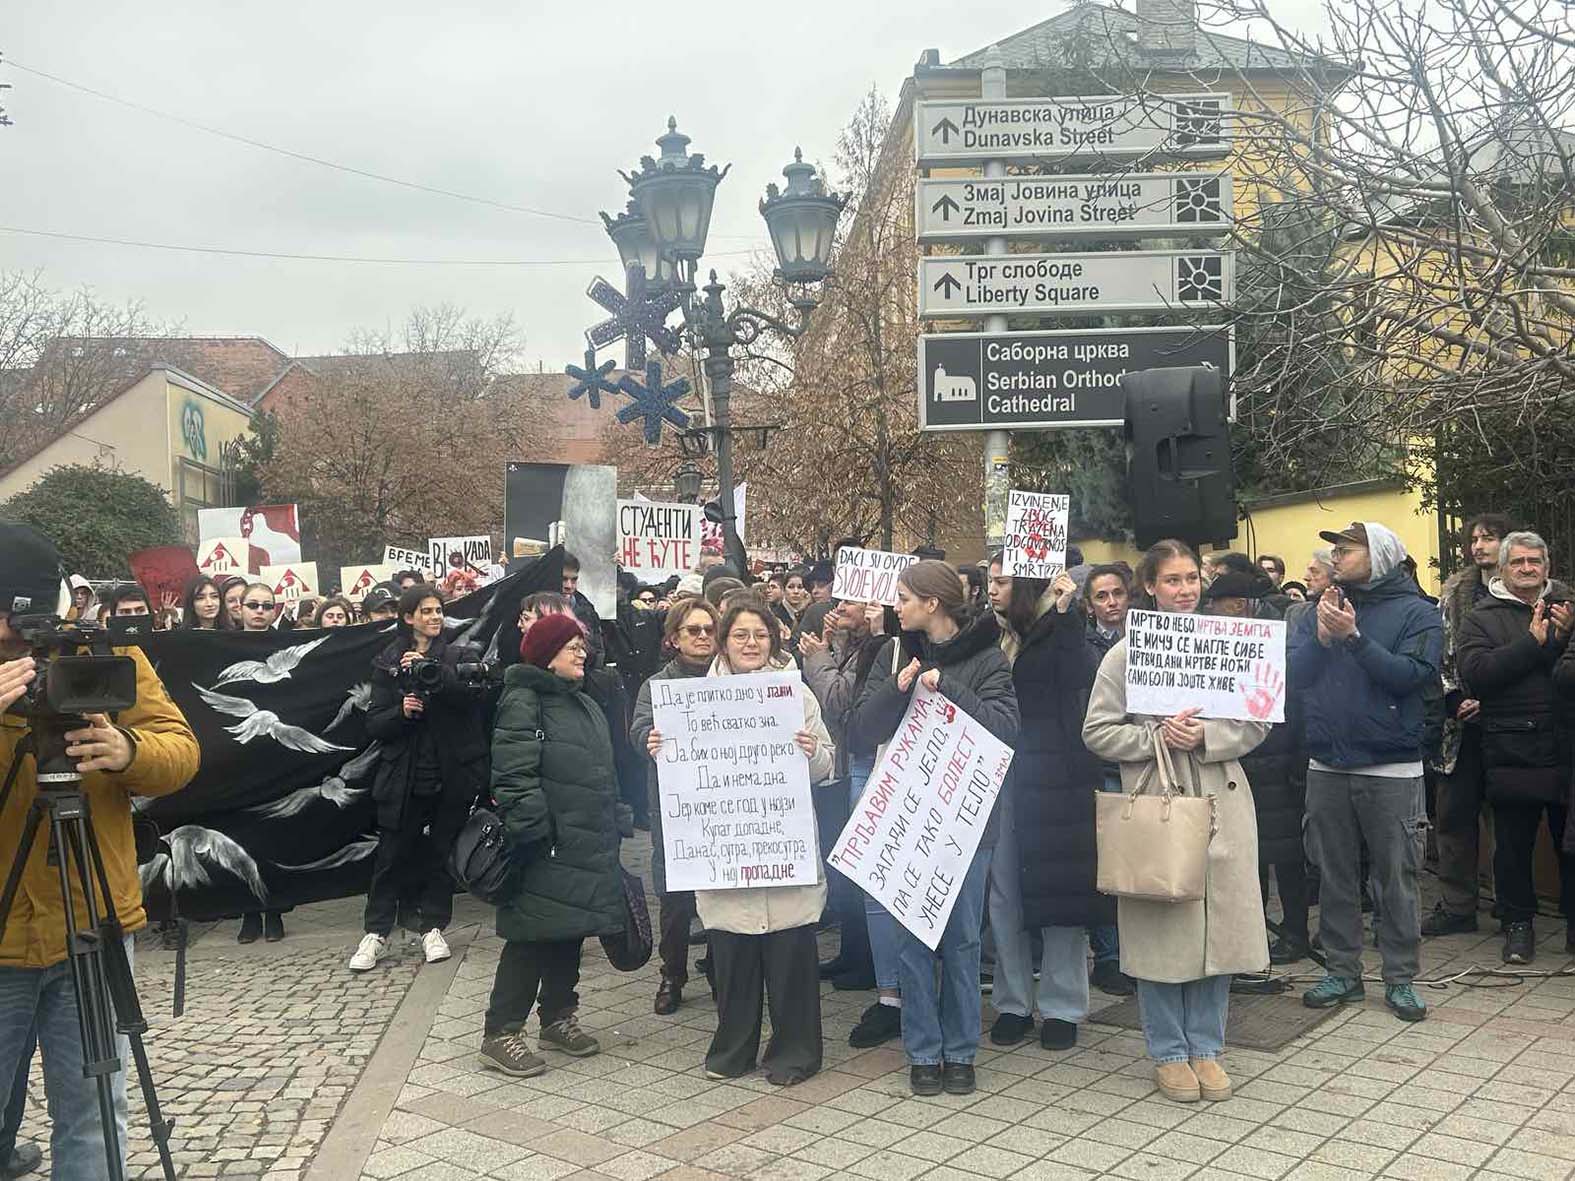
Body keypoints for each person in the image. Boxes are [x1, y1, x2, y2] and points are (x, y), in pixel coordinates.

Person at [0, 520, 200, 1178]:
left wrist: (126, 750)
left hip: (91, 917)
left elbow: (182, 751)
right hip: (2, 942)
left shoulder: (98, 655)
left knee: (92, 1117)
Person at [1082, 539, 1269, 1104]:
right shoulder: (1125, 653)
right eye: (1172, 580)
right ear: (1152, 587)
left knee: (1221, 930)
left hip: (1224, 799)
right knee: (1163, 930)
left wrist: (1209, 735)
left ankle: (1207, 1046)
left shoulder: (1230, 642)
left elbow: (1259, 721)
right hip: (1159, 802)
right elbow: (1096, 731)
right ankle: (1167, 1050)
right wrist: (1154, 736)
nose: (1184, 590)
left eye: (1191, 578)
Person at [647, 602, 835, 1086]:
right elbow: (680, 772)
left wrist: (812, 754)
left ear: (774, 640)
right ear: (725, 642)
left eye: (760, 634)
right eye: (740, 635)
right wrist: (660, 750)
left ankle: (795, 1052)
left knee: (791, 959)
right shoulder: (695, 700)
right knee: (733, 960)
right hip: (724, 856)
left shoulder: (797, 695)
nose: (751, 643)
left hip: (781, 850)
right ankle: (733, 1049)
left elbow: (827, 765)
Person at [851, 560, 1019, 1097]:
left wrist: (948, 688)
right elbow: (860, 731)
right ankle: (923, 1050)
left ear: (933, 603)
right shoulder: (892, 653)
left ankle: (961, 1050)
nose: (895, 607)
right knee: (913, 945)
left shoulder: (989, 660)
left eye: (904, 598)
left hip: (966, 826)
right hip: (906, 824)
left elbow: (1005, 730)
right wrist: (897, 690)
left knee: (964, 941)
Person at [1290, 522, 1442, 1023]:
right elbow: (1295, 676)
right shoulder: (1319, 607)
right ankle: (1342, 971)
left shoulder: (1419, 612)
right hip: (1327, 762)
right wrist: (1320, 637)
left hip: (1391, 766)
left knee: (1394, 878)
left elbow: (1413, 678)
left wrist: (1354, 638)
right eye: (1333, 548)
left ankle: (1400, 977)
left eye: (1346, 548)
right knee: (1334, 874)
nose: (1336, 555)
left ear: (1378, 555)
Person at [479, 613, 627, 1077]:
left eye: (582, 645)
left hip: (582, 841)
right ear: (546, 654)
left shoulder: (580, 702)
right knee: (530, 936)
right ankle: (501, 1033)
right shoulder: (524, 700)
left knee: (569, 930)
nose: (582, 653)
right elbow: (513, 773)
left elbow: (600, 768)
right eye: (571, 646)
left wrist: (614, 813)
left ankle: (558, 1017)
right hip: (546, 845)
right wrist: (535, 831)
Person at [987, 561, 1109, 1052]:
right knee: (1004, 894)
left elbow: (1078, 676)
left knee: (1061, 896)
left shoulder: (1061, 625)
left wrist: (1067, 616)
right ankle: (1013, 1001)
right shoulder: (989, 635)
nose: (991, 589)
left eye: (1000, 581)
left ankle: (1062, 1006)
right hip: (1001, 778)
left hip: (1056, 781)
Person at [350, 586, 489, 972]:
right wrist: (401, 710)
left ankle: (433, 927)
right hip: (404, 776)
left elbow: (472, 696)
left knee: (441, 853)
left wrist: (437, 675)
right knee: (391, 855)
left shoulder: (459, 655)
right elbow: (374, 723)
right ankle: (376, 932)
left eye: (438, 610)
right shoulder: (387, 663)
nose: (434, 617)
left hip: (451, 773)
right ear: (408, 617)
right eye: (425, 611)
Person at [1461, 532, 1575, 963]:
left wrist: (1562, 639)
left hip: (1566, 745)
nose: (1527, 568)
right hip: (1513, 748)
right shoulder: (1482, 617)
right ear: (1504, 568)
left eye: (1535, 561)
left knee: (1571, 844)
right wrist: (1532, 644)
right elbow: (1478, 674)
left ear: (1547, 567)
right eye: (1518, 562)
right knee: (1512, 847)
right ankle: (1518, 926)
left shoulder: (1569, 606)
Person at [1203, 573, 1311, 964]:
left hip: (1275, 765)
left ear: (1236, 605)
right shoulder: (1241, 641)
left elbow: (1294, 708)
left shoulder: (1272, 645)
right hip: (1247, 763)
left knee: (1282, 858)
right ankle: (1261, 933)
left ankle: (1293, 932)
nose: (1209, 610)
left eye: (1215, 602)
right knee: (1254, 857)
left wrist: (1296, 763)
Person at [1425, 512, 1515, 936]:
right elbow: (1441, 653)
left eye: (1489, 538)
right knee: (1453, 817)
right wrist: (1456, 698)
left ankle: (1510, 902)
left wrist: (1493, 699)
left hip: (1511, 723)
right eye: (1474, 539)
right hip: (1460, 728)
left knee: (1509, 820)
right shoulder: (1454, 594)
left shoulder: (1529, 590)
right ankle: (1458, 905)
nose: (1479, 545)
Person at [630, 598, 721, 1014]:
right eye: (693, 630)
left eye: (709, 630)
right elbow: (638, 729)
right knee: (674, 895)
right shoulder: (656, 686)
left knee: (723, 890)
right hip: (676, 807)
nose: (703, 637)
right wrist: (648, 738)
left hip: (725, 806)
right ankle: (672, 974)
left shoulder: (733, 680)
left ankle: (722, 967)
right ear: (673, 639)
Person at [800, 599, 884, 994]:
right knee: (842, 868)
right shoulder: (850, 646)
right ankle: (852, 953)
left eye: (852, 601)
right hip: (842, 766)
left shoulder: (877, 651)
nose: (841, 606)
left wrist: (818, 658)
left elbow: (838, 698)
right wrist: (831, 647)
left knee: (857, 868)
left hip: (860, 765)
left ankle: (866, 961)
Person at [1076, 564, 1136, 995]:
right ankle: (1110, 955)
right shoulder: (1081, 646)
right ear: (1089, 603)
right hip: (1102, 768)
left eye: (1118, 593)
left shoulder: (1151, 639)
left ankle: (1137, 952)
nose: (1112, 602)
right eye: (1102, 596)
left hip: (1145, 764)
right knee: (1109, 868)